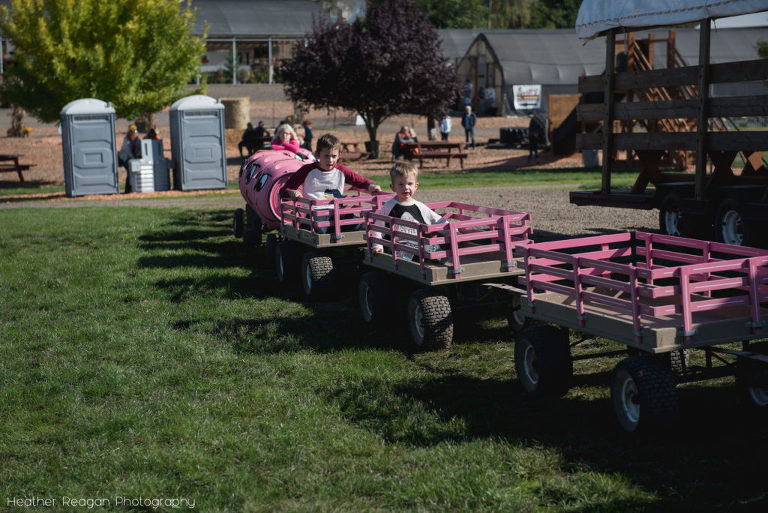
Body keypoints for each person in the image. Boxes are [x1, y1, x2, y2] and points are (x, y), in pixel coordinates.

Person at [282, 133, 382, 233]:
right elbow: (284, 190)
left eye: (334, 156)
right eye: (326, 156)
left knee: (357, 225)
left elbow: (359, 181)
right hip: (316, 211)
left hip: (337, 210)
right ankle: (299, 224)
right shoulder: (307, 170)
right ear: (317, 154)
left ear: (339, 155)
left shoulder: (341, 170)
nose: (330, 160)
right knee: (319, 229)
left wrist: (370, 185)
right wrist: (291, 192)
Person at [371, 160, 446, 261]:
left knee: (431, 246)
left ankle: (441, 260)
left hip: (418, 245)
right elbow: (378, 228)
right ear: (393, 187)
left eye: (410, 184)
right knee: (409, 249)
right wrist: (378, 246)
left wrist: (455, 233)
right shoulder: (389, 206)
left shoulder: (420, 206)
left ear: (416, 186)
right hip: (397, 247)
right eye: (401, 184)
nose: (406, 187)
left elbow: (438, 220)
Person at [118, 124, 140, 193]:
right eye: (131, 131)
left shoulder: (138, 140)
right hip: (125, 158)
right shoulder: (126, 140)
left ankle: (133, 188)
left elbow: (139, 149)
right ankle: (127, 189)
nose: (133, 133)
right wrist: (134, 159)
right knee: (130, 171)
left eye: (134, 132)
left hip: (133, 159)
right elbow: (128, 151)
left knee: (134, 172)